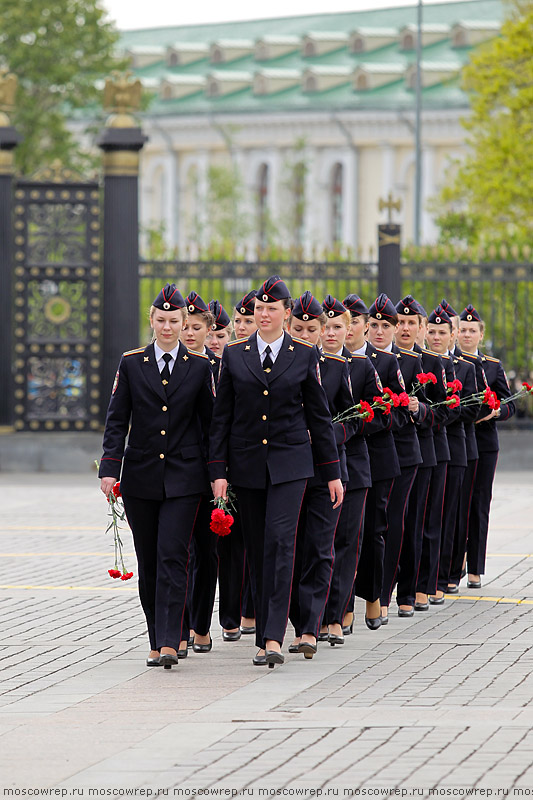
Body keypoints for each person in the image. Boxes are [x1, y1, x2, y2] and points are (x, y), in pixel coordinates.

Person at [209, 275, 343, 668]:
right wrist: (218, 471)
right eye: (258, 309)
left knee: (282, 543)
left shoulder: (304, 354)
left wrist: (331, 471)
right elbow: (222, 419)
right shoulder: (235, 354)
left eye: (271, 309)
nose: (264, 315)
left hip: (291, 464)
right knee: (258, 547)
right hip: (247, 465)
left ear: (286, 313)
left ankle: (271, 637)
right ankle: (268, 628)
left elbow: (319, 418)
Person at [98, 283, 214, 669]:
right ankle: (156, 635)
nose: (167, 327)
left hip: (184, 477)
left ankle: (169, 641)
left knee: (172, 556)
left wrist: (216, 474)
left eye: (174, 321)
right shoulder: (132, 363)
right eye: (161, 320)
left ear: (185, 324)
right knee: (148, 561)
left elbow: (211, 425)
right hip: (142, 477)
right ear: (151, 320)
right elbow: (118, 419)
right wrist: (109, 468)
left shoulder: (199, 368)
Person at [286, 292, 352, 657]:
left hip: (327, 469)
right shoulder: (277, 362)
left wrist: (326, 433)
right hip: (287, 469)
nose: (307, 334)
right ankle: (297, 621)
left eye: (313, 329)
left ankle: (311, 627)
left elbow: (356, 415)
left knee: (320, 548)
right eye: (299, 328)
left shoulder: (336, 367)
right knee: (289, 548)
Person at [320, 295, 383, 639]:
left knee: (346, 543)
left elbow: (373, 414)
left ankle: (338, 613)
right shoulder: (308, 364)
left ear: (350, 329)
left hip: (353, 464)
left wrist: (340, 430)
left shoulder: (361, 367)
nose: (330, 333)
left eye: (337, 327)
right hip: (315, 465)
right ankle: (316, 614)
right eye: (325, 327)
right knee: (318, 543)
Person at [457, 304, 515, 588]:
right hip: (458, 441)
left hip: (485, 441)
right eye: (463, 330)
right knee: (457, 502)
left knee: (479, 502)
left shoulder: (492, 366)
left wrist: (496, 412)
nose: (467, 335)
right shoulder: (450, 364)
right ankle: (454, 563)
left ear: (480, 334)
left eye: (472, 330)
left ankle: (475, 567)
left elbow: (509, 403)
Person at [425, 304, 478, 602]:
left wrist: (445, 411)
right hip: (426, 444)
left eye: (441, 332)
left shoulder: (465, 367)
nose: (435, 337)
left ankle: (444, 576)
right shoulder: (420, 363)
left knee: (449, 515)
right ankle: (429, 576)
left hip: (454, 445)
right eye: (431, 331)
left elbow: (469, 407)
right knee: (428, 515)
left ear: (452, 335)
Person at [181, 291, 219, 652]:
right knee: (178, 551)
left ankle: (201, 625)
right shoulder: (168, 364)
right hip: (176, 470)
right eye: (185, 327)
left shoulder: (222, 366)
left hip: (210, 470)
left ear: (209, 330)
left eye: (196, 328)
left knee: (205, 551)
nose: (189, 333)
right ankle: (177, 626)